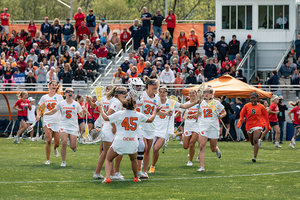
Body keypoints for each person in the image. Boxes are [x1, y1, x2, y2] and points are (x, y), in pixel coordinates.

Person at [99, 96, 161, 183]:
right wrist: (155, 112)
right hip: (132, 141)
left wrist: (101, 110)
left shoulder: (120, 113)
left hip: (120, 141)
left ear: (124, 105)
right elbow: (150, 120)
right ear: (134, 106)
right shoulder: (138, 114)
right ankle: (136, 177)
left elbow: (106, 118)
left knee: (109, 159)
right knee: (133, 160)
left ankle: (108, 178)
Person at [149, 86, 201, 172]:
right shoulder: (155, 101)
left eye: (163, 92)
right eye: (160, 92)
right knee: (147, 149)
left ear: (166, 94)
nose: (162, 93)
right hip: (153, 128)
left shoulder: (171, 102)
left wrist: (195, 103)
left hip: (164, 130)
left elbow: (184, 106)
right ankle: (142, 164)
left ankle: (152, 166)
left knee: (156, 148)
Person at [44, 88, 86, 167]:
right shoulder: (61, 103)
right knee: (63, 143)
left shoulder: (77, 104)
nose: (70, 93)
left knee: (72, 146)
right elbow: (53, 111)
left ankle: (73, 147)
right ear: (65, 93)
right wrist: (45, 113)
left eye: (72, 92)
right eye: (68, 91)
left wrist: (84, 112)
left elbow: (81, 115)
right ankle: (63, 161)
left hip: (73, 126)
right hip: (64, 125)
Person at [93, 86, 127, 180]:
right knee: (110, 153)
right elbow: (109, 115)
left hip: (109, 129)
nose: (126, 94)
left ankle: (97, 173)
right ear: (118, 94)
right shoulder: (116, 102)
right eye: (124, 92)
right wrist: (114, 126)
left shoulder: (116, 101)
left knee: (105, 153)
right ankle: (112, 174)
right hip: (110, 129)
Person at [197, 87, 225, 171]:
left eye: (208, 92)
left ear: (211, 93)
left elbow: (224, 112)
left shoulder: (216, 102)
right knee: (201, 147)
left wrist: (220, 116)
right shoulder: (201, 103)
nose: (206, 94)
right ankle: (202, 167)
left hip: (213, 127)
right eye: (205, 92)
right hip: (203, 126)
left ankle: (216, 149)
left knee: (212, 148)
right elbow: (201, 114)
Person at [237, 92, 271, 162]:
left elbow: (266, 116)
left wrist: (268, 126)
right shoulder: (246, 106)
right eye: (251, 98)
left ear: (257, 99)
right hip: (249, 125)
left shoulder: (261, 107)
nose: (252, 99)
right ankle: (254, 143)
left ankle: (254, 157)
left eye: (254, 98)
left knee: (255, 140)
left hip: (258, 124)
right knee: (252, 142)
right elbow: (242, 114)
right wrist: (240, 122)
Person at [36, 81, 63, 164]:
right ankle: (48, 159)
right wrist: (38, 115)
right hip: (47, 119)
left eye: (55, 85)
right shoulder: (44, 97)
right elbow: (40, 108)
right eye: (53, 85)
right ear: (49, 86)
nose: (54, 86)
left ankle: (55, 148)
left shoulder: (59, 97)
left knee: (57, 143)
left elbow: (62, 109)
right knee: (48, 140)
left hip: (57, 120)